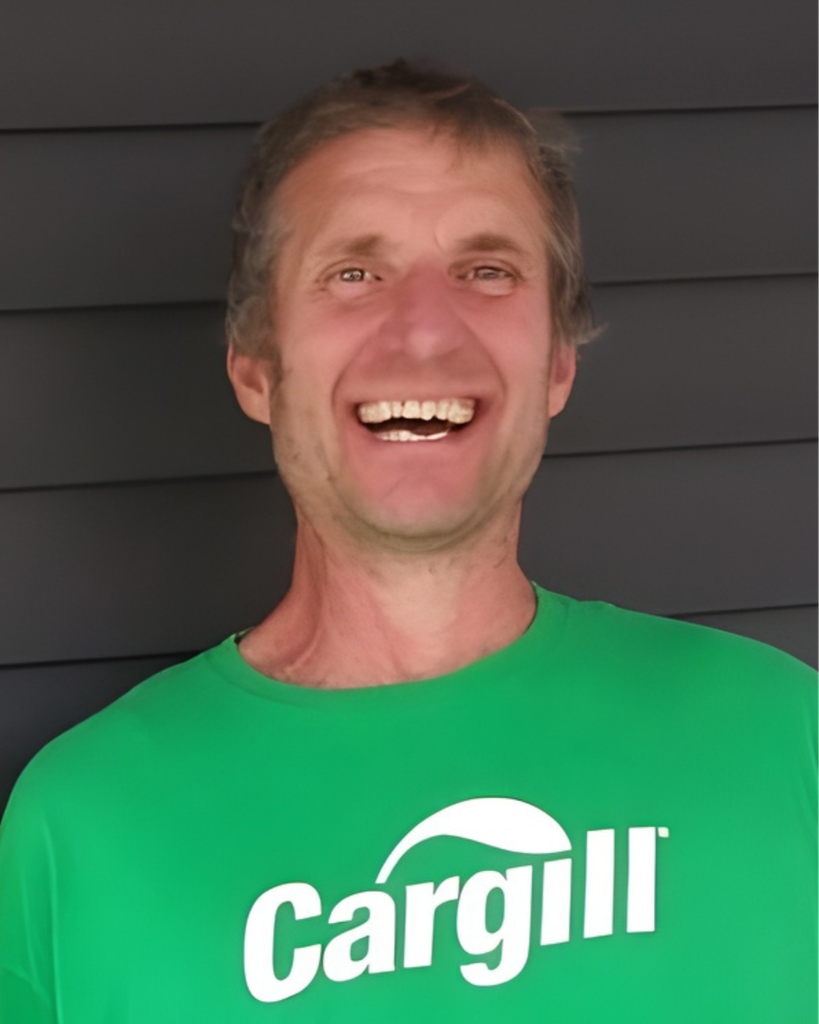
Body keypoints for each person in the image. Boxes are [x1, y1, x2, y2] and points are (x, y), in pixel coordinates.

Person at [0, 59, 816, 1023]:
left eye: (487, 272)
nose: (425, 333)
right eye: (353, 274)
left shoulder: (782, 735)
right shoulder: (80, 830)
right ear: (257, 370)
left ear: (556, 365)